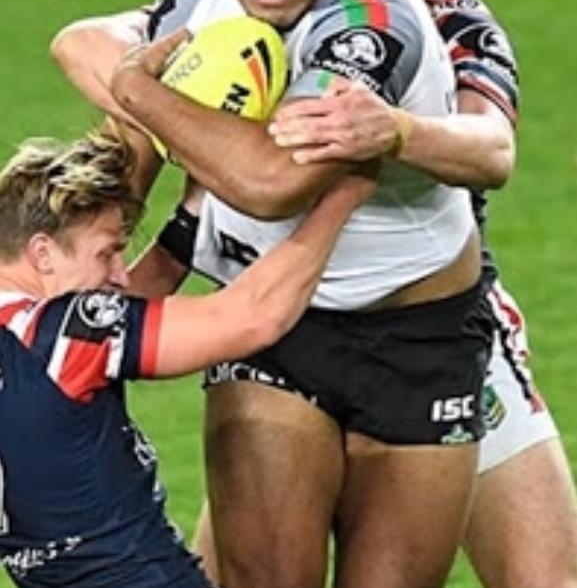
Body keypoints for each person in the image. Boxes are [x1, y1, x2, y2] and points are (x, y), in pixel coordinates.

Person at [51, 0, 492, 588]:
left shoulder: (366, 24)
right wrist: (114, 245)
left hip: (420, 338)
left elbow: (269, 182)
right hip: (272, 323)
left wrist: (138, 90)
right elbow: (140, 122)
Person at [266, 0, 577, 588]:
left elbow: (491, 147)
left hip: (439, 330)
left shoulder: (460, 21)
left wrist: (395, 131)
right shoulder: (266, 17)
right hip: (293, 330)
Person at [0, 31, 375, 588]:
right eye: (106, 253)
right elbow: (254, 315)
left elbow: (136, 297)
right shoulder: (64, 334)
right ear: (42, 254)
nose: (118, 275)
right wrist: (349, 188)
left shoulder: (33, 336)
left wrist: (201, 193)